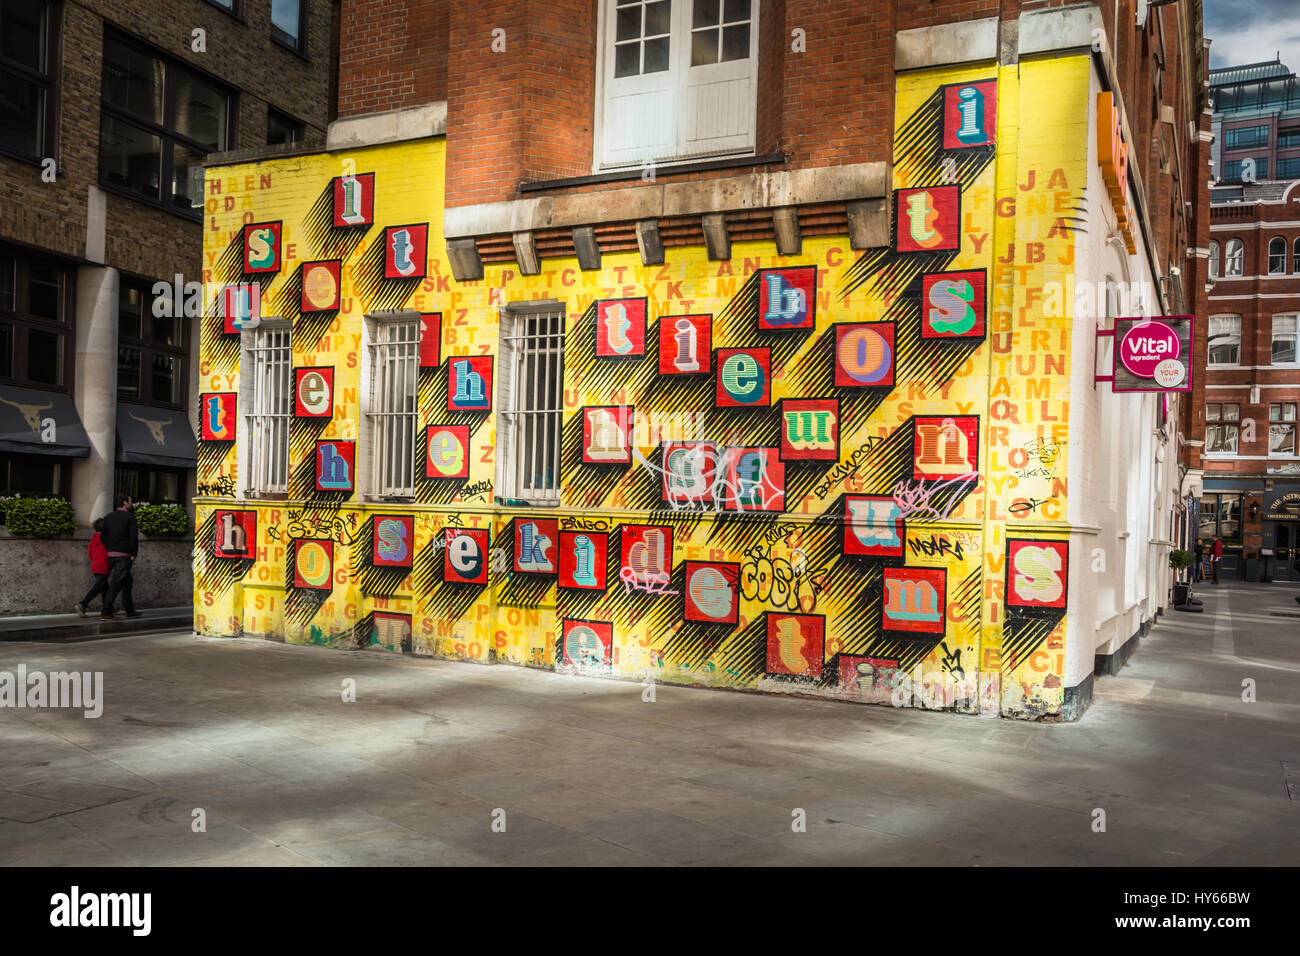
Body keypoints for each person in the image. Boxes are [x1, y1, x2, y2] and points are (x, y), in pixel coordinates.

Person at [100, 494, 142, 621]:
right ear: (124, 503)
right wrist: (133, 553)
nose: (131, 504)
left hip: (112, 554)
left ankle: (130, 610)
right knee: (116, 583)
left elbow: (103, 536)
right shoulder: (130, 518)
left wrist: (110, 548)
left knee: (127, 582)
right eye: (130, 501)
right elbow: (133, 537)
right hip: (124, 555)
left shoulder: (108, 517)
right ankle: (106, 611)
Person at [75, 518, 110, 617]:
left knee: (104, 587)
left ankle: (108, 608)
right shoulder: (105, 539)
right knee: (98, 587)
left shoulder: (93, 539)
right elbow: (108, 554)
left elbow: (90, 554)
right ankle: (83, 604)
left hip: (95, 566)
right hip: (104, 566)